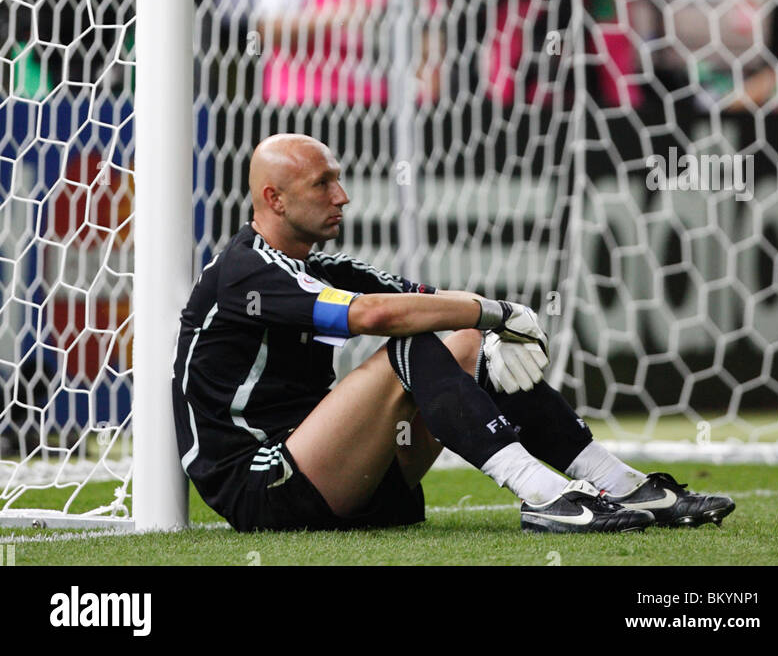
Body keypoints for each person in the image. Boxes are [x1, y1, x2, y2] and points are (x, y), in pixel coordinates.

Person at [172, 133, 734, 535]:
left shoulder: (324, 267)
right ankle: (543, 494)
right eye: (324, 184)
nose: (342, 196)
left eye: (339, 180)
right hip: (263, 485)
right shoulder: (243, 273)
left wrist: (486, 334)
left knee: (460, 341)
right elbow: (374, 317)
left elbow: (428, 304)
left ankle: (618, 481)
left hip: (343, 479)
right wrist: (492, 311)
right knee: (415, 345)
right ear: (274, 198)